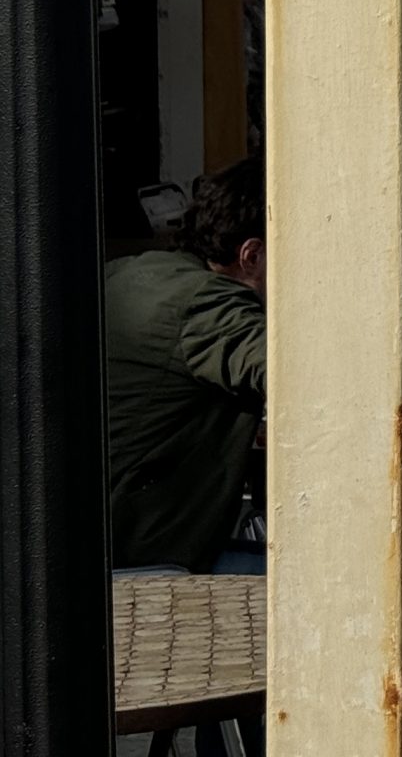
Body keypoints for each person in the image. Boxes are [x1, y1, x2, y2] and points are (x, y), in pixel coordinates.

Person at [105, 154, 268, 574]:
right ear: (251, 256)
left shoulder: (134, 272)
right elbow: (299, 376)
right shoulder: (209, 304)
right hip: (147, 555)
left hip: (105, 543)